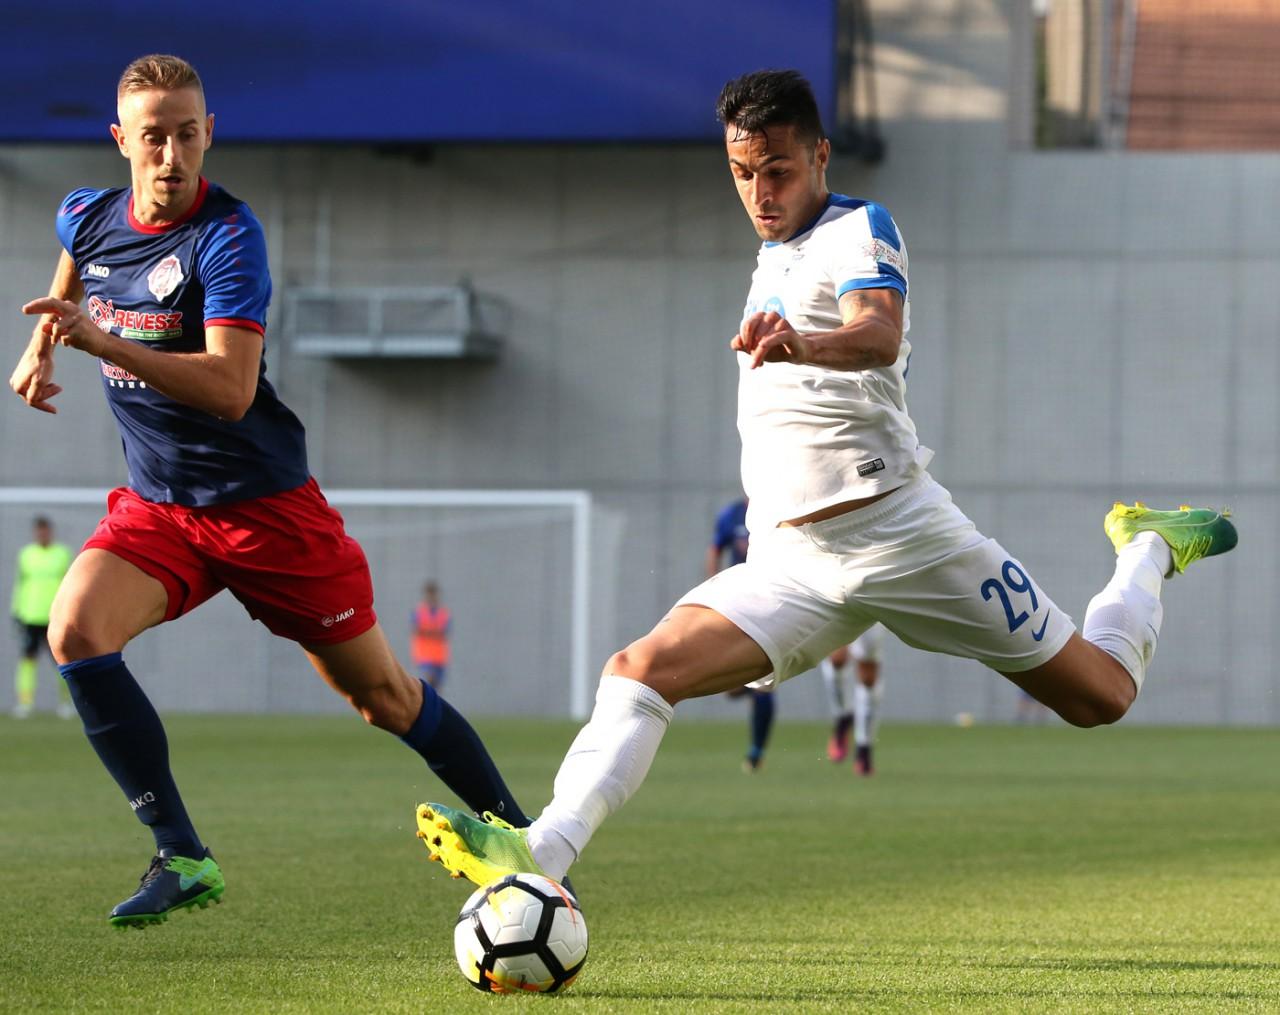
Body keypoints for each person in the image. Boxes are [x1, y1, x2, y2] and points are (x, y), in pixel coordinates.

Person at [414, 68, 1237, 890]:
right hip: (791, 563)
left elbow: (877, 331)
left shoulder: (858, 229)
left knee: (1100, 696)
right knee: (638, 669)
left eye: (777, 169)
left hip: (900, 535)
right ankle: (541, 850)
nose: (760, 191)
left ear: (820, 155)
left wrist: (806, 343)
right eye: (742, 172)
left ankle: (1147, 547)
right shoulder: (771, 255)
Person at [9, 54, 529, 929]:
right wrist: (43, 343)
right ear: (120, 140)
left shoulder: (227, 236)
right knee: (76, 632)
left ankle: (528, 844)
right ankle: (181, 853)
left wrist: (103, 344)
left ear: (209, 132)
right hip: (162, 508)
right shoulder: (87, 214)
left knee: (384, 698)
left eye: (187, 134)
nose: (171, 155)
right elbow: (75, 255)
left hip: (264, 512)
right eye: (152, 137)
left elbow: (230, 389)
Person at [707, 496, 775, 772]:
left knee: (764, 681)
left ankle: (756, 750)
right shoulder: (732, 514)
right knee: (734, 684)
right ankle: (744, 684)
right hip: (737, 600)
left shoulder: (778, 507)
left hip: (770, 601)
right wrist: (712, 585)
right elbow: (715, 549)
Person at [10, 516, 73, 719]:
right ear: (35, 532)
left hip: (55, 616)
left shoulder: (62, 554)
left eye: (45, 530)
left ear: (50, 532)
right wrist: (16, 610)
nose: (42, 534)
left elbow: (70, 584)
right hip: (30, 615)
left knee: (62, 661)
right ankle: (25, 702)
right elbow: (20, 584)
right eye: (39, 531)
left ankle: (66, 703)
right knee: (27, 659)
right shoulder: (26, 554)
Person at [821, 626, 885, 775]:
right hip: (840, 610)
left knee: (868, 677)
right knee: (836, 659)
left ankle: (864, 746)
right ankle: (843, 717)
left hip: (873, 613)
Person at [411, 581, 451, 689]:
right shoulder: (419, 612)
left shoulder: (443, 613)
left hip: (439, 658)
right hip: (424, 657)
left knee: (436, 689)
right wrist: (435, 632)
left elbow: (445, 632)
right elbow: (416, 630)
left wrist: (428, 631)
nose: (432, 598)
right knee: (427, 685)